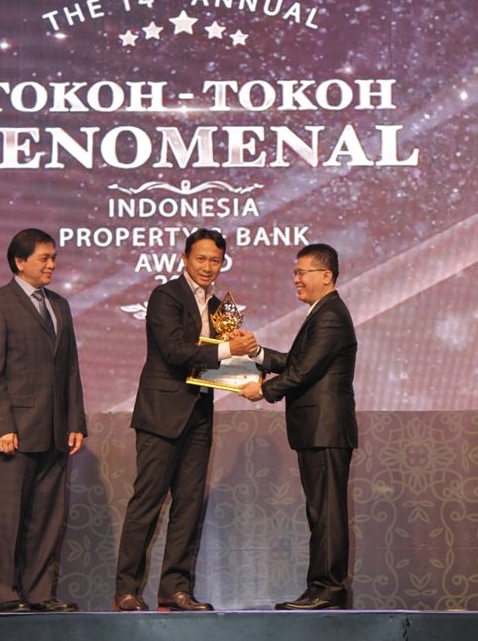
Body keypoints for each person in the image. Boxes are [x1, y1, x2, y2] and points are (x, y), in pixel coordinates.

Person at [114, 228, 258, 612]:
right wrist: (229, 348)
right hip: (161, 414)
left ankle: (175, 589)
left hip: (198, 415)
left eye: (215, 260)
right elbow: (175, 351)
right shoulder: (165, 296)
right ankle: (126, 590)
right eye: (201, 258)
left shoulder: (220, 308)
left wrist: (250, 358)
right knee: (147, 503)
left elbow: (226, 362)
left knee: (188, 505)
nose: (208, 267)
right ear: (185, 259)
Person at [0, 228, 87, 613]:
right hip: (14, 434)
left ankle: (39, 593)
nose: (52, 264)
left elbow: (70, 369)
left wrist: (76, 421)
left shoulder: (60, 305)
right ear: (20, 261)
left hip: (55, 431)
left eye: (54, 257)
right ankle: (5, 594)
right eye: (44, 258)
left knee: (47, 519)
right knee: (8, 518)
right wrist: (2, 426)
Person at [240, 243, 357, 610]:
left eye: (301, 272)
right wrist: (256, 353)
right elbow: (297, 361)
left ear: (326, 275)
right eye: (295, 272)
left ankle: (328, 590)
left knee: (327, 512)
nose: (296, 279)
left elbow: (303, 371)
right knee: (319, 512)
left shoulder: (331, 315)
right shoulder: (322, 312)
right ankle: (318, 588)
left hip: (326, 428)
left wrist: (263, 391)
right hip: (316, 429)